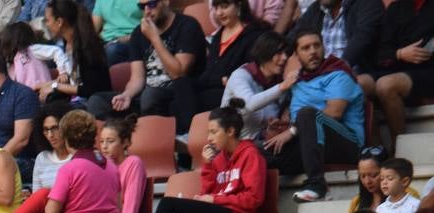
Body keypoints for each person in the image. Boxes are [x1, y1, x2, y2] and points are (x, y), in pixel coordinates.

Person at [0, 109, 123, 213]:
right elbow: (118, 206)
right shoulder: (111, 165)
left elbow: (51, 212)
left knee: (44, 195)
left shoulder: (70, 168)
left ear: (65, 136)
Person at [265, 31, 365, 204]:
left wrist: (293, 129)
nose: (313, 51)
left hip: (347, 143)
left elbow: (335, 112)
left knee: (308, 114)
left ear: (324, 47)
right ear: (296, 56)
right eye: (305, 48)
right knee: (254, 151)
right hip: (310, 146)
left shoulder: (338, 73)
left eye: (316, 45)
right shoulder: (297, 82)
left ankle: (317, 185)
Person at [85, 0, 206, 138]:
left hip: (178, 95)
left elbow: (179, 72)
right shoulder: (139, 32)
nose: (147, 10)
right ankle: (122, 144)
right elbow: (137, 78)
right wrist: (127, 94)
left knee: (150, 96)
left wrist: (154, 38)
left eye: (152, 4)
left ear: (165, 2)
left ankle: (152, 142)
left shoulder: (187, 25)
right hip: (147, 98)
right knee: (97, 101)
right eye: (142, 6)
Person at [147, 106, 266, 213]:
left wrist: (215, 199)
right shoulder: (220, 158)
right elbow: (206, 193)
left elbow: (254, 198)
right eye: (208, 132)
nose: (209, 138)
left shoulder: (250, 155)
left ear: (230, 131)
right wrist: (208, 165)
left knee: (168, 203)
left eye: (214, 132)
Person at [370, 0, 434, 148]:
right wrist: (400, 54)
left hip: (429, 72)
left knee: (385, 85)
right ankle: (375, 151)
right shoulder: (396, 8)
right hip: (398, 70)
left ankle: (400, 149)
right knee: (358, 84)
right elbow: (381, 53)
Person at [221, 32, 292, 142]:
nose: (284, 57)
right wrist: (282, 87)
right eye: (279, 53)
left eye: (286, 53)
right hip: (232, 146)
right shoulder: (241, 76)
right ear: (264, 53)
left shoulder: (279, 83)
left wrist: (271, 127)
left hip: (259, 145)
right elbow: (249, 104)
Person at [41, 0, 112, 100]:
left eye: (47, 20)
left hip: (94, 102)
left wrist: (55, 86)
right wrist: (47, 85)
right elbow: (72, 82)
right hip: (76, 100)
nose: (46, 25)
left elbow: (91, 89)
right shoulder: (67, 44)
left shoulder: (88, 47)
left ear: (59, 22)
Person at [289, 0, 383, 72]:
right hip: (318, 75)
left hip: (355, 73)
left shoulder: (367, 3)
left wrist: (335, 71)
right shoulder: (316, 9)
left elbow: (362, 39)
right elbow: (292, 38)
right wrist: (289, 57)